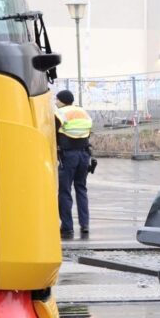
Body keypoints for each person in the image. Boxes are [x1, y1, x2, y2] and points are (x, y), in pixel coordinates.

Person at [55, 89, 93, 239]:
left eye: (57, 99)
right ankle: (85, 225)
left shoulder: (59, 113)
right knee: (81, 189)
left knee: (65, 192)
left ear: (63, 100)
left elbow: (52, 133)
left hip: (68, 155)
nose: (55, 102)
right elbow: (88, 132)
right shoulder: (83, 112)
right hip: (84, 154)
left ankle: (67, 228)